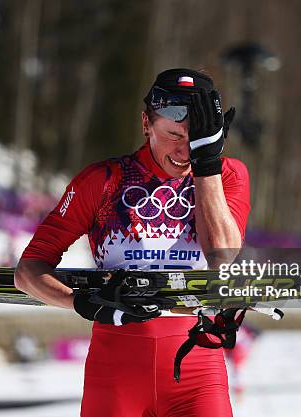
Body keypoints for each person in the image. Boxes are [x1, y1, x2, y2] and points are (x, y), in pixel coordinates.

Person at [15, 68, 250, 417]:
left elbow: (222, 259)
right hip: (115, 369)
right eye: (173, 134)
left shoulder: (226, 175)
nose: (184, 150)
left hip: (198, 369)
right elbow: (28, 272)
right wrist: (82, 303)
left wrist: (208, 163)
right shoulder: (103, 181)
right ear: (146, 123)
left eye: (195, 139)